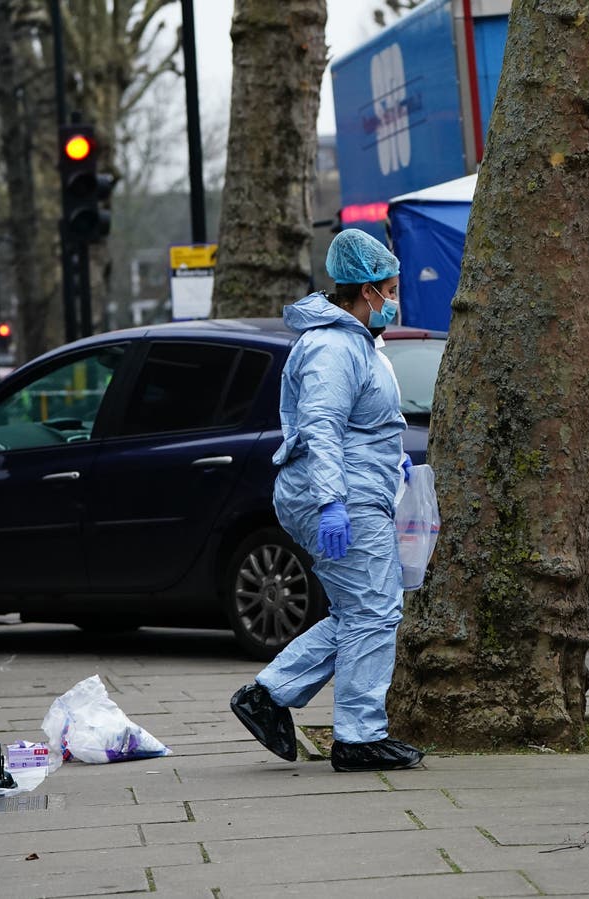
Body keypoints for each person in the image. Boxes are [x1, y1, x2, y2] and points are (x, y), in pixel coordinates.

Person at [230, 229, 424, 773]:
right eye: (389, 288)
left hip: (356, 488)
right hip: (342, 496)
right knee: (374, 612)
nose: (393, 298)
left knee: (361, 611)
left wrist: (393, 459)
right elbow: (320, 426)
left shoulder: (354, 341)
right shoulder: (333, 346)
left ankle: (269, 693)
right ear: (365, 292)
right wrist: (333, 501)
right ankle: (359, 737)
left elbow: (360, 421)